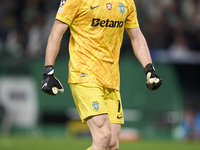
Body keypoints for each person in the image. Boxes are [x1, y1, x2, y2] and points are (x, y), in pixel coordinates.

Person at [41, 0, 162, 150]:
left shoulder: (126, 2)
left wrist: (149, 69)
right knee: (103, 135)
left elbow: (136, 37)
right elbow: (56, 32)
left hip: (111, 78)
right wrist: (48, 71)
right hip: (84, 73)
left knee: (112, 145)